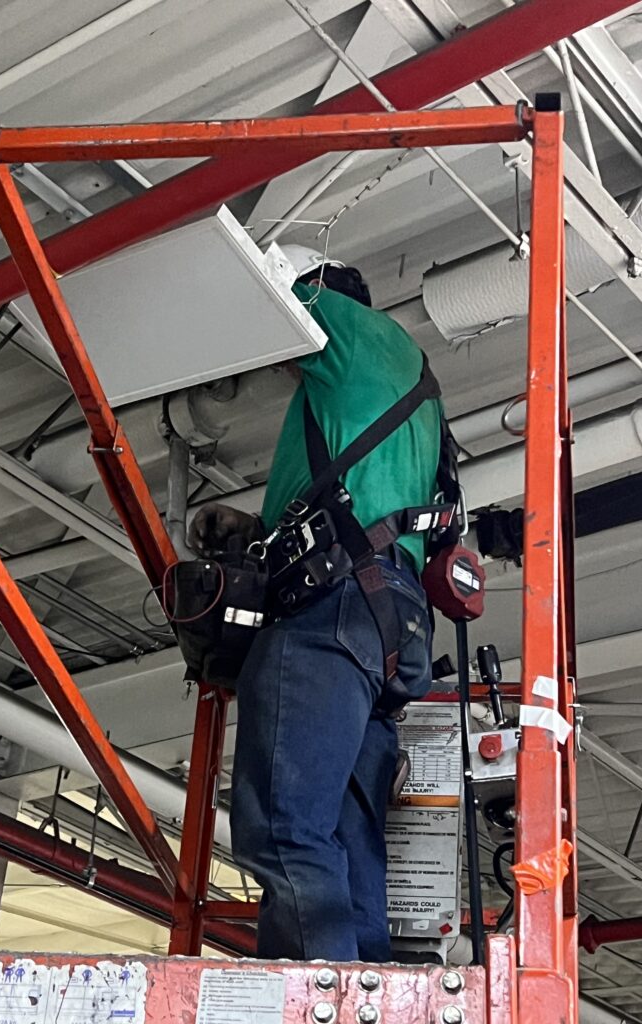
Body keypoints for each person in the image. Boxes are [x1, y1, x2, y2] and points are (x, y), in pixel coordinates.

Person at [188, 244, 442, 963]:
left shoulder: (355, 333)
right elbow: (364, 504)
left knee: (285, 828)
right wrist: (256, 531)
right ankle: (360, 992)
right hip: (389, 618)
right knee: (345, 844)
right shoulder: (395, 390)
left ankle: (313, 1000)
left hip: (330, 614)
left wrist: (281, 270)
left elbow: (263, 279)